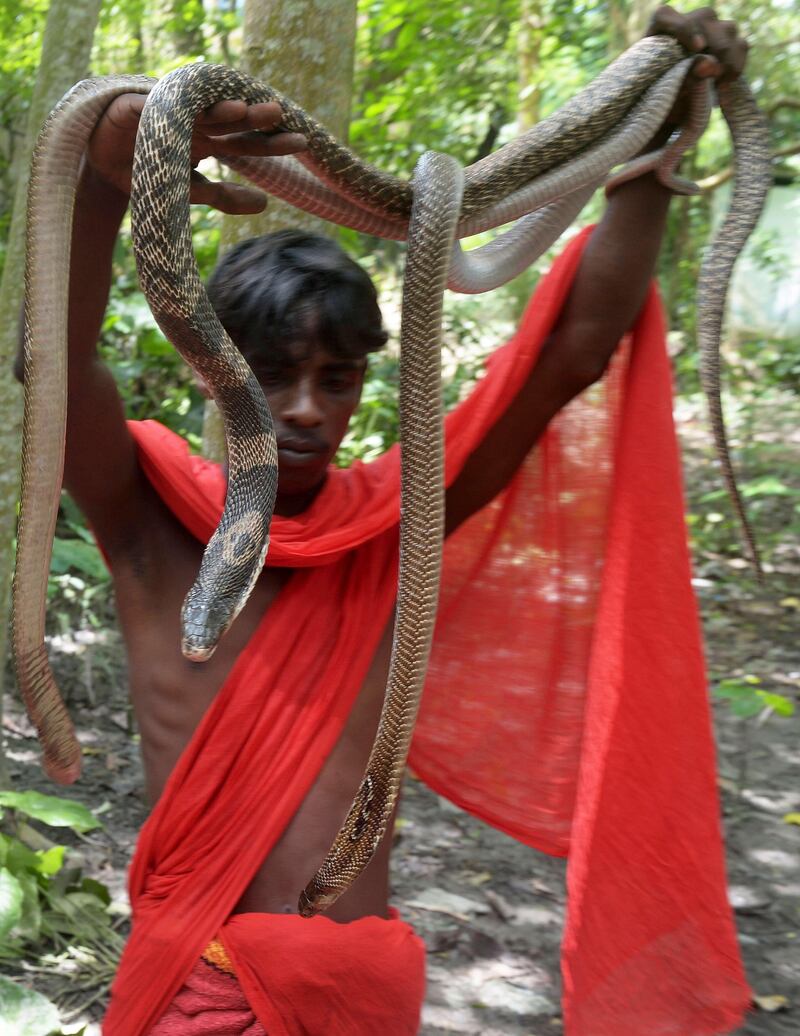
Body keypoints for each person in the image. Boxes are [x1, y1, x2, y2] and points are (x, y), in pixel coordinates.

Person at [16, 7, 755, 1035]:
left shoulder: (394, 522)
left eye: (336, 377)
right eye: (273, 375)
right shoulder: (145, 520)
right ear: (205, 361)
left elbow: (574, 349)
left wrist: (659, 124)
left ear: (368, 380)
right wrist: (108, 168)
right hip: (194, 989)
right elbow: (56, 364)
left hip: (351, 997)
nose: (308, 407)